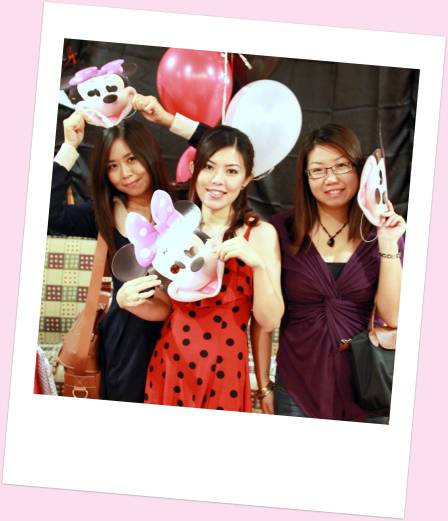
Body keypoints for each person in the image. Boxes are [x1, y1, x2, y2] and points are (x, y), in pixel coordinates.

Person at [117, 123, 284, 412]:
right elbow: (167, 308)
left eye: (231, 171)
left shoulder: (260, 234)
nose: (218, 179)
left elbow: (268, 321)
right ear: (194, 169)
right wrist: (127, 301)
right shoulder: (173, 229)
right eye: (209, 167)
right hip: (172, 362)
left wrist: (257, 265)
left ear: (246, 178)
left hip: (226, 370)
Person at [257, 124, 406, 422]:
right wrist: (264, 386)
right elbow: (263, 317)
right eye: (318, 170)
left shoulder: (382, 231)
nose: (331, 179)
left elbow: (394, 316)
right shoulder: (281, 230)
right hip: (297, 381)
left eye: (341, 166)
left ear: (360, 169)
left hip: (366, 383)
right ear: (305, 177)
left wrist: (388, 243)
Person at [49, 111, 172, 402]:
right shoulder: (103, 212)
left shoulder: (181, 203)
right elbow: (50, 214)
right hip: (127, 343)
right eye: (113, 166)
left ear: (149, 155)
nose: (125, 173)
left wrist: (168, 121)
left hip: (179, 333)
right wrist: (69, 146)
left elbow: (221, 153)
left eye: (132, 159)